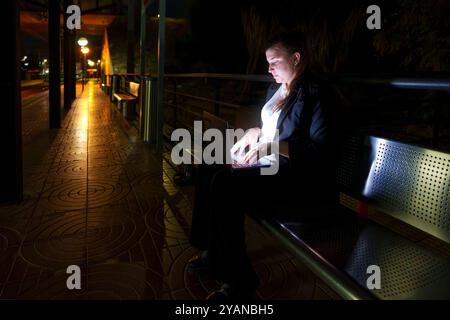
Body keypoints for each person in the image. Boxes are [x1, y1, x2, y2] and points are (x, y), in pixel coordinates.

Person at [187, 31, 335, 300]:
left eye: (274, 61)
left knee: (225, 184)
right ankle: (209, 249)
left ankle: (239, 283)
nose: (269, 69)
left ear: (296, 58)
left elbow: (319, 153)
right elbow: (271, 127)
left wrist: (269, 147)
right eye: (268, 63)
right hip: (267, 163)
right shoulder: (277, 89)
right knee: (208, 166)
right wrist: (254, 133)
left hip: (295, 176)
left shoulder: (316, 93)